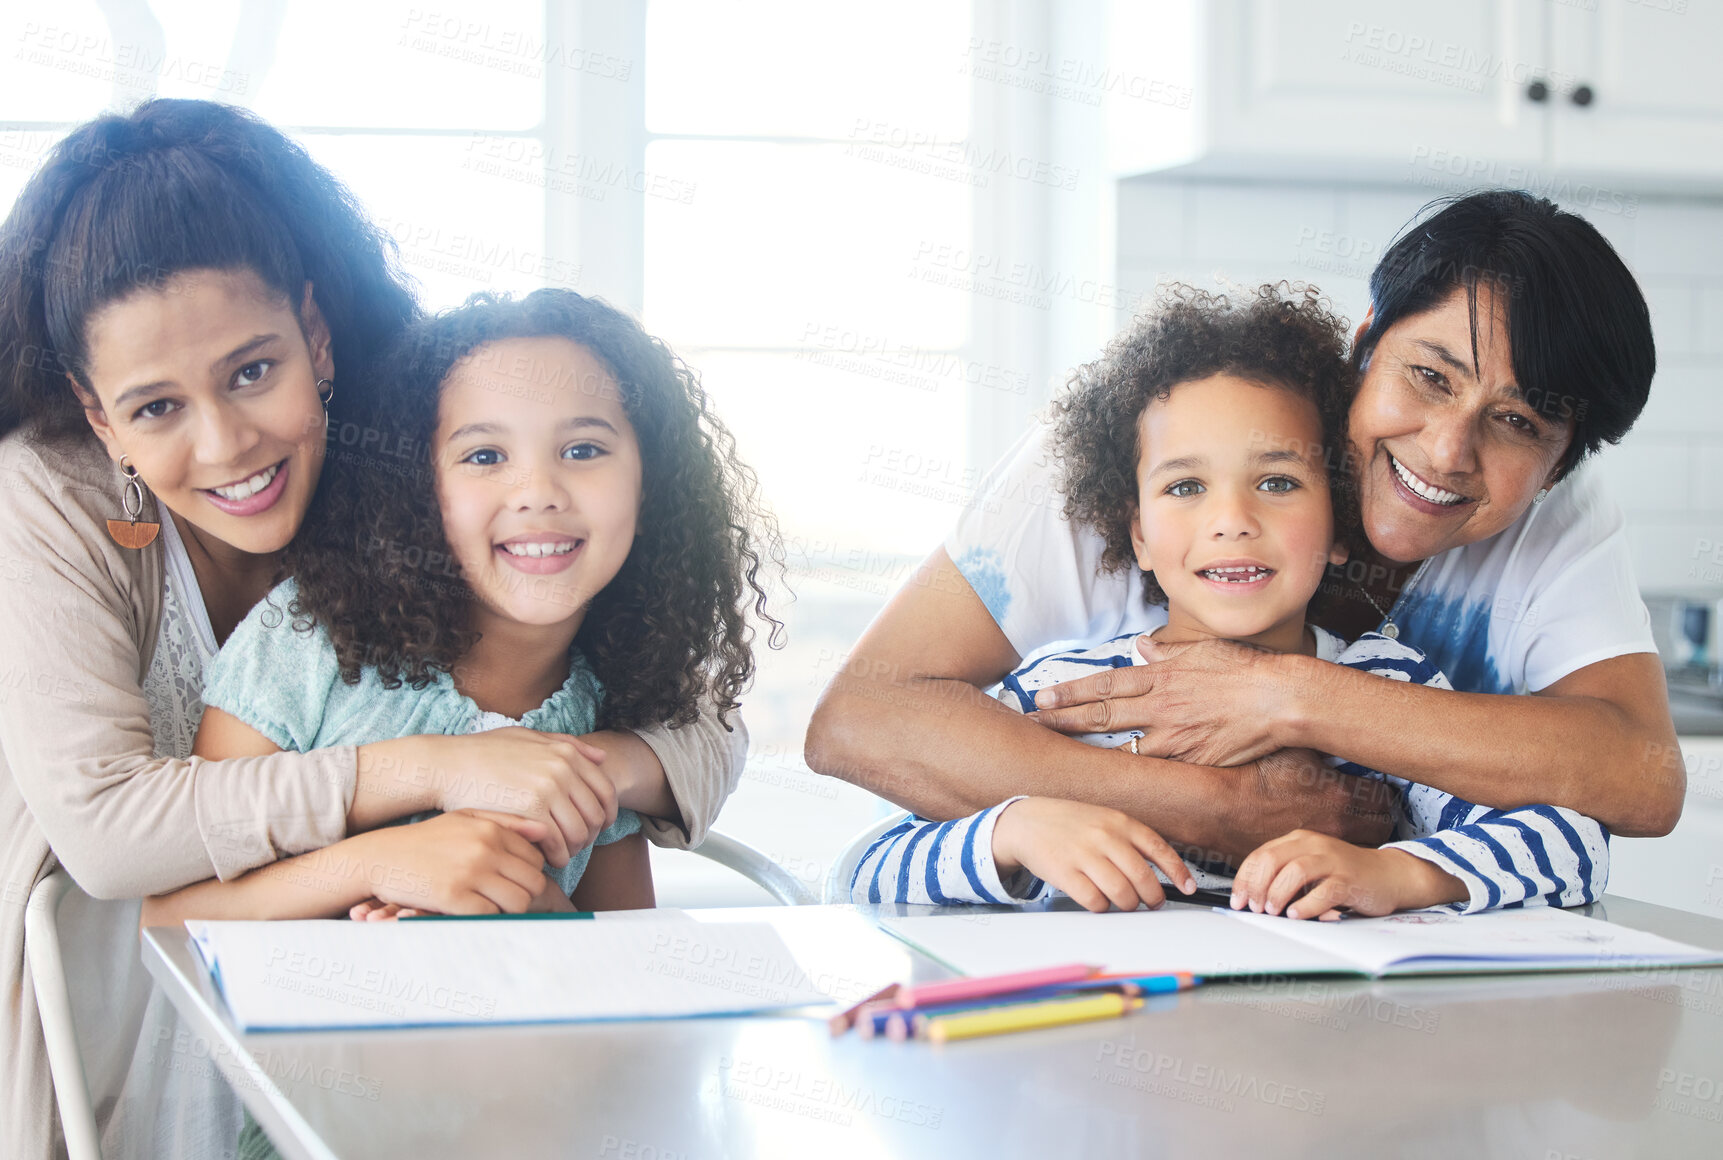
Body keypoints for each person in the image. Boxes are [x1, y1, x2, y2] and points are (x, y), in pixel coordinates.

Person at [0, 101, 747, 1160]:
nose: (226, 444)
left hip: (391, 1047)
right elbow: (113, 836)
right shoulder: (47, 499)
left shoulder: (411, 464)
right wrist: (431, 785)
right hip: (118, 1033)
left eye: (254, 371)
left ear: (316, 336)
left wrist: (568, 779)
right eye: (156, 406)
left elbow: (692, 718)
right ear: (95, 411)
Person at [808, 191, 1683, 870]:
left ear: (1561, 465)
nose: (1448, 449)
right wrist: (1214, 808)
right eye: (1428, 377)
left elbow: (1641, 778)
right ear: (1365, 343)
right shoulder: (1145, 453)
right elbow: (861, 720)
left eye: (1518, 424)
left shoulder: (1556, 521)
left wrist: (1290, 695)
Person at [853, 284, 1607, 919]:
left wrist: (1406, 874)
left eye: (1277, 482)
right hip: (1099, 1060)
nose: (1231, 519)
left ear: (1340, 524)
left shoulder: (1386, 686)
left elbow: (1573, 840)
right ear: (1139, 538)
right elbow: (863, 869)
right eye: (1184, 487)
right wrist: (1013, 833)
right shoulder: (1066, 694)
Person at [144, 286, 777, 925]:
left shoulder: (615, 700)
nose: (538, 492)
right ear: (421, 487)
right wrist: (380, 864)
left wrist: (534, 905)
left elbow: (616, 967)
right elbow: (170, 916)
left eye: (583, 450)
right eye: (484, 456)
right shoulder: (307, 642)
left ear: (651, 485)